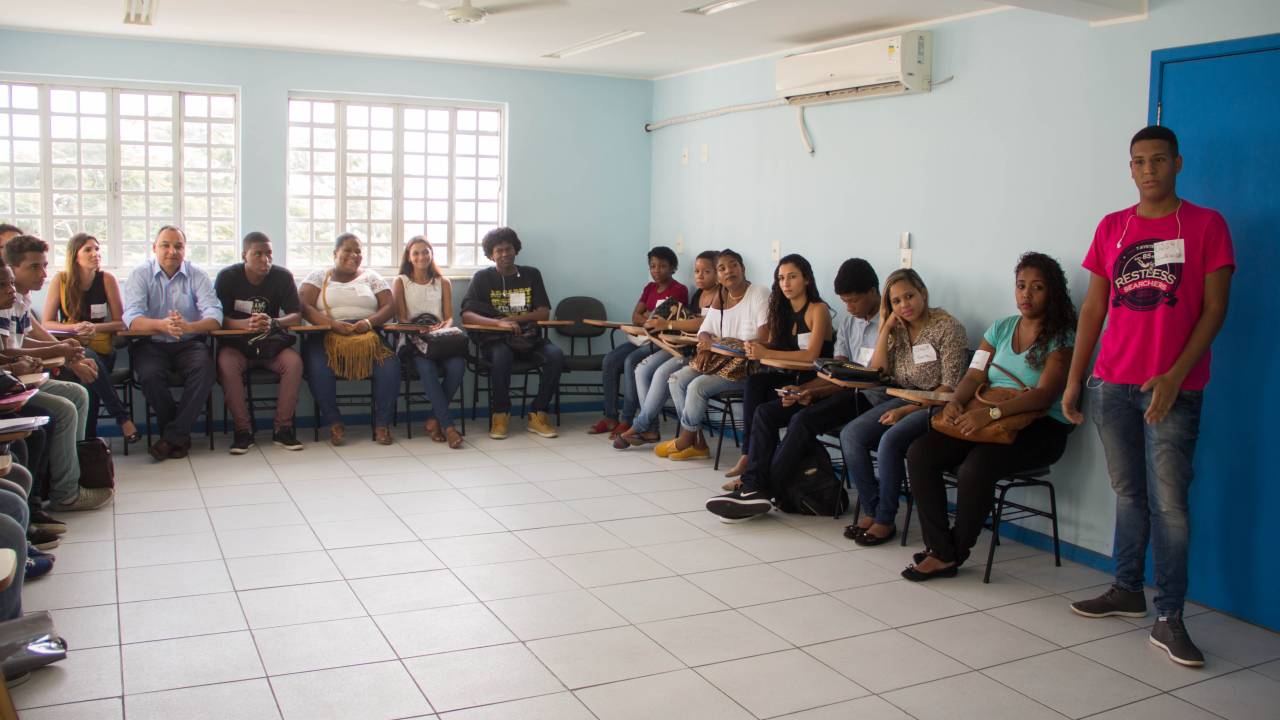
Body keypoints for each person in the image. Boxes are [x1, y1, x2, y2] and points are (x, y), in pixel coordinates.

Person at [1062, 126, 1233, 668]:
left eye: (1159, 160)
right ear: (1130, 168)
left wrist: (1174, 376)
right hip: (1114, 384)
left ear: (1178, 163)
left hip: (1173, 390)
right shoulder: (1113, 227)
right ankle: (1127, 588)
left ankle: (1170, 616)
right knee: (1128, 493)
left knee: (1171, 506)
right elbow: (1093, 311)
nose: (1149, 170)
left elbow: (1213, 311)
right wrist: (1073, 379)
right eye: (1139, 162)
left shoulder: (1207, 225)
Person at [903, 252, 1077, 580]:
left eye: (1037, 287)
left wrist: (991, 413)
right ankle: (941, 549)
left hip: (1040, 426)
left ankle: (952, 551)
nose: (1026, 294)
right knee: (920, 453)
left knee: (976, 468)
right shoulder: (1001, 328)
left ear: (1052, 292)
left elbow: (1045, 394)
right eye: (1021, 285)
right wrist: (956, 402)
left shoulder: (1061, 336)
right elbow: (974, 375)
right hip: (987, 419)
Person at [706, 258, 881, 520]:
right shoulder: (848, 323)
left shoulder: (876, 322)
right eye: (845, 301)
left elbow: (823, 362)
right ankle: (753, 482)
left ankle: (762, 490)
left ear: (873, 292)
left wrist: (811, 389)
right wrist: (807, 390)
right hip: (830, 386)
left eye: (853, 300)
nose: (848, 307)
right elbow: (835, 370)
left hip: (864, 397)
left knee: (800, 419)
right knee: (765, 410)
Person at [840, 268, 966, 545]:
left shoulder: (947, 327)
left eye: (909, 296)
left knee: (890, 441)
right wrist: (885, 327)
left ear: (923, 292)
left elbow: (950, 387)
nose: (904, 305)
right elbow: (878, 371)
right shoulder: (898, 327)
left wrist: (907, 410)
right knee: (850, 435)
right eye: (896, 301)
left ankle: (885, 519)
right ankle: (872, 509)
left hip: (936, 404)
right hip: (903, 396)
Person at [1, 237, 111, 510]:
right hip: (13, 384)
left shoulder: (19, 300)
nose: (43, 274)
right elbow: (13, 350)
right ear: (12, 268)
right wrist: (61, 350)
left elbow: (25, 342)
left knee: (78, 392)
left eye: (44, 266)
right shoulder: (7, 303)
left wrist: (62, 349)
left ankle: (74, 476)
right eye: (34, 267)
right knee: (65, 408)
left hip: (20, 378)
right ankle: (66, 493)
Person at [722, 253, 832, 479]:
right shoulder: (781, 309)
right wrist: (756, 347)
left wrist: (767, 352)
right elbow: (775, 345)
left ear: (807, 279)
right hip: (790, 377)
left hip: (815, 382)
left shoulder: (817, 309)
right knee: (755, 382)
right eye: (781, 278)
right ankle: (748, 455)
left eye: (792, 277)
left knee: (765, 410)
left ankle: (754, 469)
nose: (786, 284)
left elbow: (812, 356)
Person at [657, 249, 768, 461]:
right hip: (720, 360)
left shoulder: (759, 293)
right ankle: (696, 439)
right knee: (676, 379)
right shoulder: (721, 296)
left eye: (733, 265)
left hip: (747, 368)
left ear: (743, 268)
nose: (729, 271)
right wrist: (707, 344)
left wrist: (729, 346)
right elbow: (704, 331)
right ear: (718, 276)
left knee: (696, 386)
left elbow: (764, 337)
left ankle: (686, 438)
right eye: (722, 268)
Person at [123, 226, 222, 460]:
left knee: (205, 370)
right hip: (151, 343)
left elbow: (215, 315)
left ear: (185, 249)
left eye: (178, 246)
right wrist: (161, 325)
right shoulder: (140, 274)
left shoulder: (197, 275)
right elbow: (131, 319)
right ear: (154, 248)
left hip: (189, 343)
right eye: (166, 245)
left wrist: (190, 327)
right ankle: (177, 437)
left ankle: (170, 438)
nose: (172, 251)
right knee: (149, 375)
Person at [461, 227, 562, 440]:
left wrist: (514, 320)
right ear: (491, 255)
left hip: (528, 337)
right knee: (501, 355)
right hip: (496, 339)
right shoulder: (481, 278)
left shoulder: (532, 274)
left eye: (508, 249)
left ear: (516, 250)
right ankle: (500, 414)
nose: (504, 254)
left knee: (555, 355)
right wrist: (499, 324)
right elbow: (467, 316)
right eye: (499, 251)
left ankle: (538, 413)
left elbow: (543, 311)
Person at [299, 233, 400, 446]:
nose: (354, 255)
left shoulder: (372, 277)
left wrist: (369, 322)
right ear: (335, 253)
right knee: (318, 368)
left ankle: (382, 424)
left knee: (390, 365)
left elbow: (390, 306)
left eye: (358, 251)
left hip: (366, 333)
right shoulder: (319, 276)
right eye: (347, 250)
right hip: (326, 333)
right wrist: (332, 324)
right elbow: (303, 305)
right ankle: (335, 423)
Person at [615, 250, 719, 449]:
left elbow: (703, 323)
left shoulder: (719, 296)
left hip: (699, 353)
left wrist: (667, 325)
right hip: (683, 346)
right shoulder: (698, 294)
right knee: (641, 369)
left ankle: (641, 425)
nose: (699, 275)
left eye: (706, 271)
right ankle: (649, 429)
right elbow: (688, 322)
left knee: (662, 372)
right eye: (697, 271)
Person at [40, 233, 139, 442]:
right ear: (75, 255)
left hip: (102, 349)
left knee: (90, 362)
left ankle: (86, 442)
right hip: (73, 350)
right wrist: (74, 328)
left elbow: (122, 322)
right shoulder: (61, 280)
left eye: (97, 249)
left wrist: (96, 328)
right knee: (87, 369)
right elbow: (46, 324)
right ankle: (119, 421)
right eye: (88, 250)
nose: (95, 254)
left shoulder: (107, 279)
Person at [214, 231, 305, 454]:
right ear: (244, 255)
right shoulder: (228, 277)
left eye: (269, 254)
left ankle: (283, 429)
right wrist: (245, 325)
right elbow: (216, 318)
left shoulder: (282, 277)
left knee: (293, 363)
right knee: (226, 365)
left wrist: (274, 322)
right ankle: (243, 431)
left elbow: (296, 315)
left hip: (271, 344)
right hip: (237, 345)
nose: (265, 260)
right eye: (258, 254)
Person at [588, 246, 688, 437]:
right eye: (652, 266)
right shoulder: (649, 288)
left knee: (630, 361)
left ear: (672, 267)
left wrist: (649, 320)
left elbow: (664, 322)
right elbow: (635, 316)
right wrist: (648, 320)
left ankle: (627, 419)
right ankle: (610, 417)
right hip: (641, 339)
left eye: (662, 266)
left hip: (661, 343)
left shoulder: (679, 290)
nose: (656, 270)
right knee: (610, 360)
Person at [394, 236, 464, 449]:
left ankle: (434, 420)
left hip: (440, 338)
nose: (421, 256)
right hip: (414, 338)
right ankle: (449, 427)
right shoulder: (401, 281)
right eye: (416, 253)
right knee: (427, 368)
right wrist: (419, 329)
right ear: (409, 257)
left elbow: (450, 316)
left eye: (425, 251)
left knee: (458, 366)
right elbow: (401, 318)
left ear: (431, 254)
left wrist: (442, 326)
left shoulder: (443, 282)